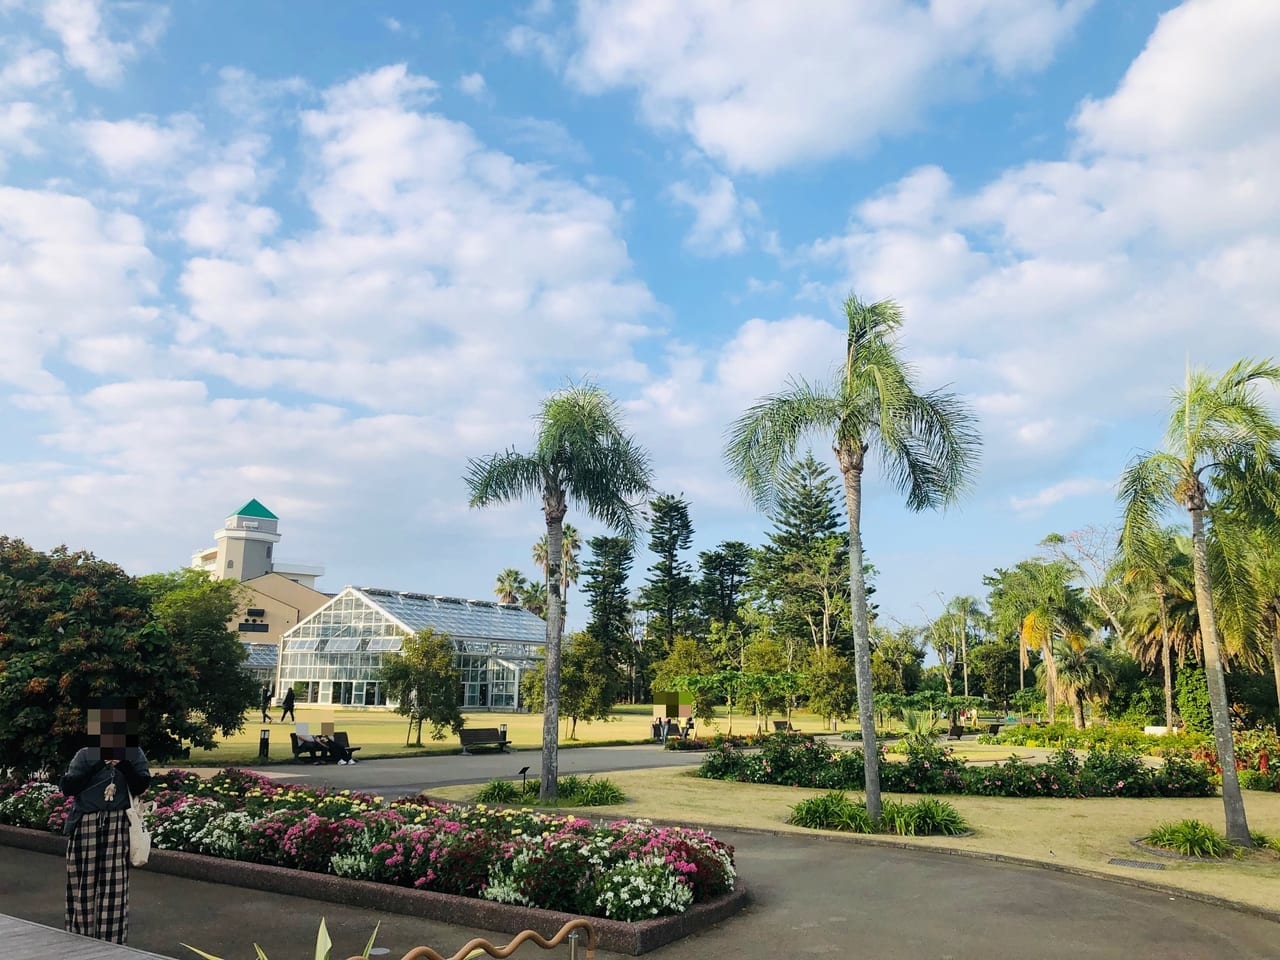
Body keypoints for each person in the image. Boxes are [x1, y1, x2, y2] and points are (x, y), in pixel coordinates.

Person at [60, 697, 152, 945]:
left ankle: (111, 941)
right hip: (86, 823)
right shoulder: (85, 755)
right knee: (82, 883)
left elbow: (142, 784)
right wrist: (99, 763)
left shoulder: (134, 755)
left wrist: (123, 765)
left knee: (115, 885)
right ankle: (79, 936)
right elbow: (68, 787)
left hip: (118, 824)